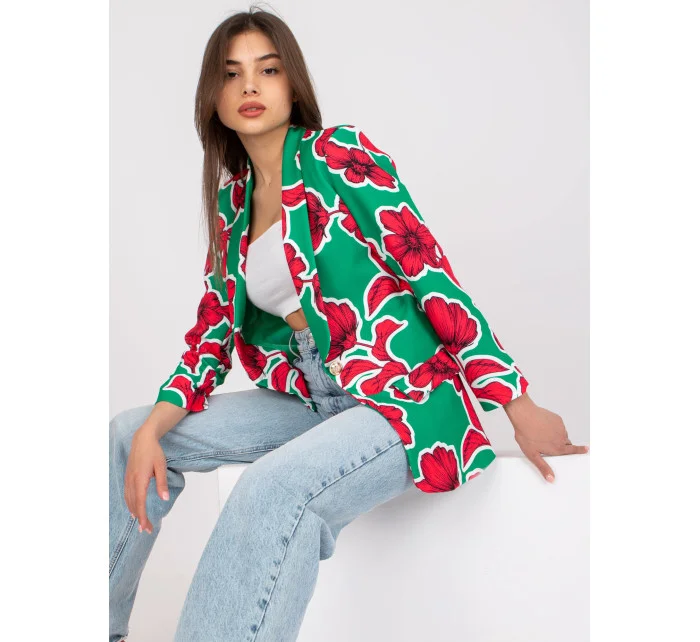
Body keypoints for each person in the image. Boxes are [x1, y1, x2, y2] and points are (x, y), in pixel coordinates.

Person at [109, 7, 588, 642]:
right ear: (213, 98)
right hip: (312, 397)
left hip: (401, 394)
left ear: (292, 84)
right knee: (128, 433)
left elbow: (429, 273)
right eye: (231, 74)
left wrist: (516, 404)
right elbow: (212, 335)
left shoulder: (338, 154)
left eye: (267, 70)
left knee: (270, 489)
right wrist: (154, 428)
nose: (249, 85)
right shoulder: (232, 203)